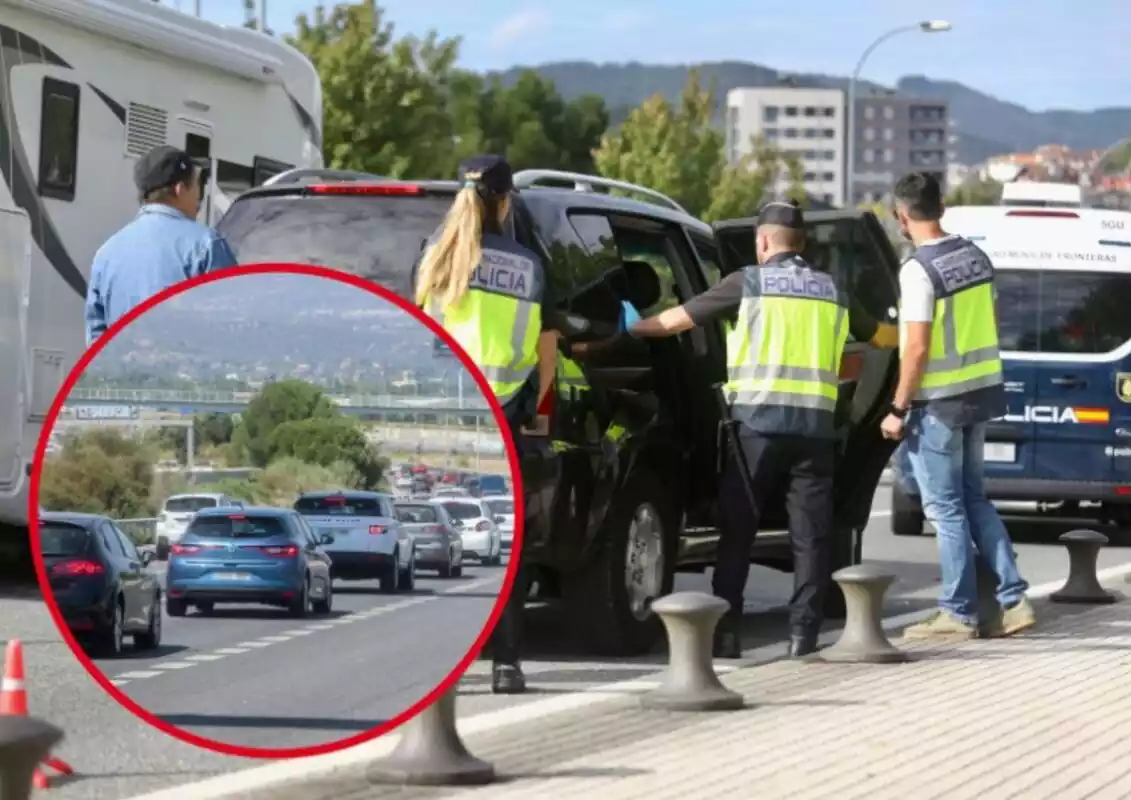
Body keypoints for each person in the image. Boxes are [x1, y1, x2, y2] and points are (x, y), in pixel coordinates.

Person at [623, 200, 898, 659]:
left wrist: (634, 327)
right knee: (811, 536)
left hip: (757, 428)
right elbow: (878, 341)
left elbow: (676, 322)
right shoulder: (833, 291)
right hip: (814, 429)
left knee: (738, 531)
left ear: (763, 240)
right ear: (802, 243)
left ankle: (725, 630)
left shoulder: (746, 282)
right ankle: (803, 636)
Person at [414, 154, 561, 694]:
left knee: (440, 542)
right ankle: (506, 663)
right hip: (506, 425)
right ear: (505, 202)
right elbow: (545, 352)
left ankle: (441, 667)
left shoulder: (435, 258)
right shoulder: (531, 266)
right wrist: (539, 410)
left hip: (449, 424)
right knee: (508, 548)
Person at [880, 171, 1034, 640]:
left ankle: (958, 611)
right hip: (980, 395)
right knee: (975, 500)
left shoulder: (917, 270)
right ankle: (1014, 600)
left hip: (940, 404)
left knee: (945, 509)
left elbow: (918, 348)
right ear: (941, 208)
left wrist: (898, 408)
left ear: (901, 216)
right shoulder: (976, 257)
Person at [85, 146, 237, 345]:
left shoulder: (105, 254)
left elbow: (96, 337)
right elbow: (232, 322)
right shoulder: (206, 245)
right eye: (197, 187)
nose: (199, 199)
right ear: (180, 189)